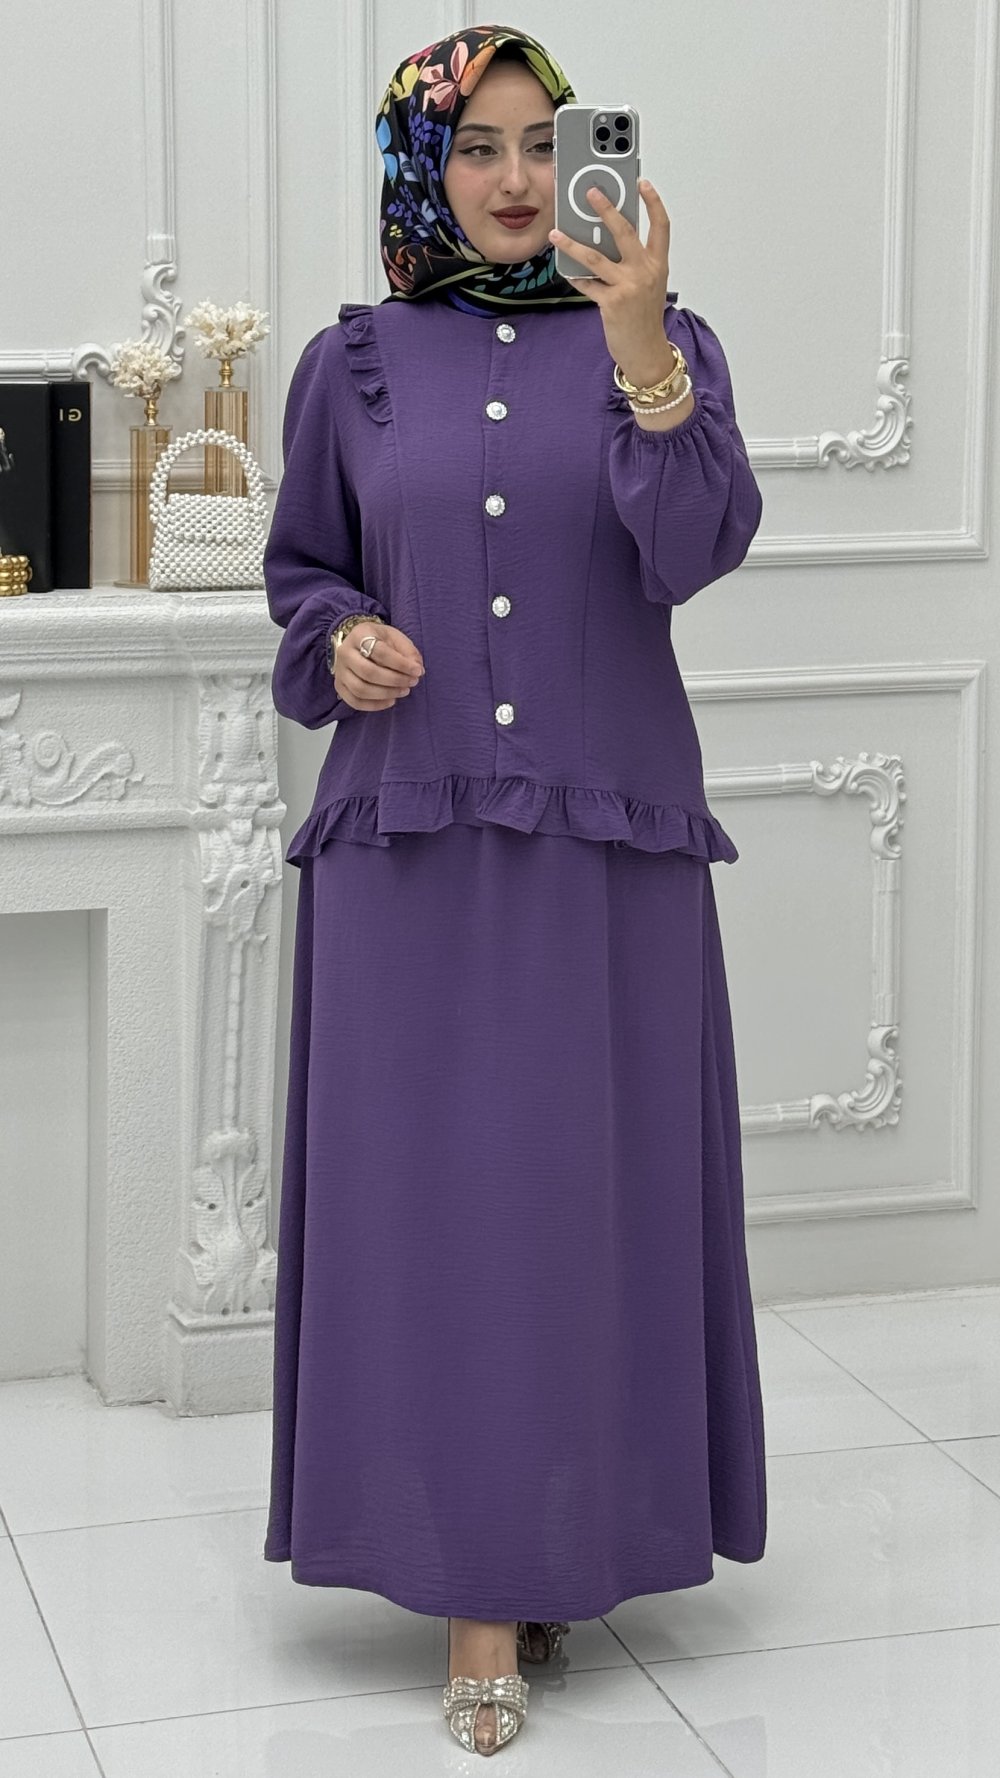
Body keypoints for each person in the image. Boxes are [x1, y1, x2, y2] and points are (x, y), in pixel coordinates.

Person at [262, 22, 767, 1758]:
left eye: (543, 143)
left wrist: (642, 352)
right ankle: (478, 1589)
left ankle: (566, 1537)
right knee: (436, 1220)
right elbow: (303, 574)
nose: (513, 177)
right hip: (405, 848)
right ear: (423, 163)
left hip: (606, 852)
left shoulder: (665, 342)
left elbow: (692, 548)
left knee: (580, 1209)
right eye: (475, 145)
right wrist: (346, 637)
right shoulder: (353, 362)